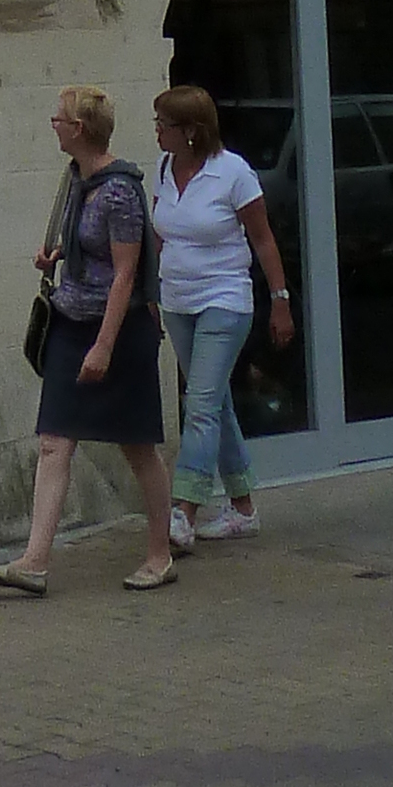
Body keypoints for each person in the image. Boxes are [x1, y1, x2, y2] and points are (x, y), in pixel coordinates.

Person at [0, 85, 176, 593]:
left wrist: (105, 345)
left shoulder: (118, 190)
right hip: (70, 321)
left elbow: (126, 274)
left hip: (120, 330)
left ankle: (160, 553)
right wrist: (58, 256)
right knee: (53, 442)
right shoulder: (76, 179)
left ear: (81, 129)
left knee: (137, 447)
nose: (54, 125)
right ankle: (33, 561)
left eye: (59, 119)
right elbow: (91, 250)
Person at [149, 84, 293, 551]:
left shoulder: (234, 174)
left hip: (225, 301)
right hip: (178, 302)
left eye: (163, 125)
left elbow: (264, 240)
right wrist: (150, 292)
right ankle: (244, 508)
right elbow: (159, 233)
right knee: (216, 404)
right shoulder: (165, 169)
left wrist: (281, 299)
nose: (157, 132)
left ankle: (183, 510)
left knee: (200, 405)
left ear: (191, 131)